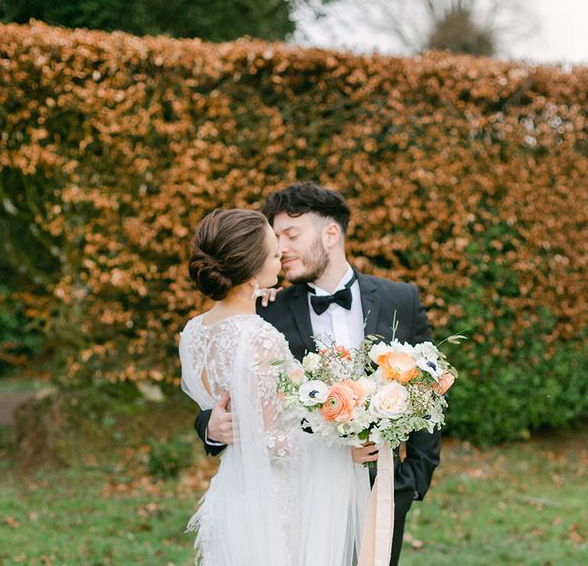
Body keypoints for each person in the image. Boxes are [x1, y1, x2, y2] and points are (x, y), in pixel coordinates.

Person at [195, 183, 441, 566]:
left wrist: (409, 484)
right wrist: (210, 425)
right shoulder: (263, 310)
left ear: (331, 234)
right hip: (303, 496)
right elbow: (230, 384)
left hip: (382, 493)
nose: (281, 248)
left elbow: (429, 389)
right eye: (275, 239)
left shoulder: (400, 300)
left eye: (291, 235)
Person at [180, 207, 369, 566]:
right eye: (272, 251)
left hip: (233, 497)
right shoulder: (258, 337)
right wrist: (340, 449)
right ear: (252, 272)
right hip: (275, 503)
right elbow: (268, 441)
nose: (280, 253)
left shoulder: (193, 333)